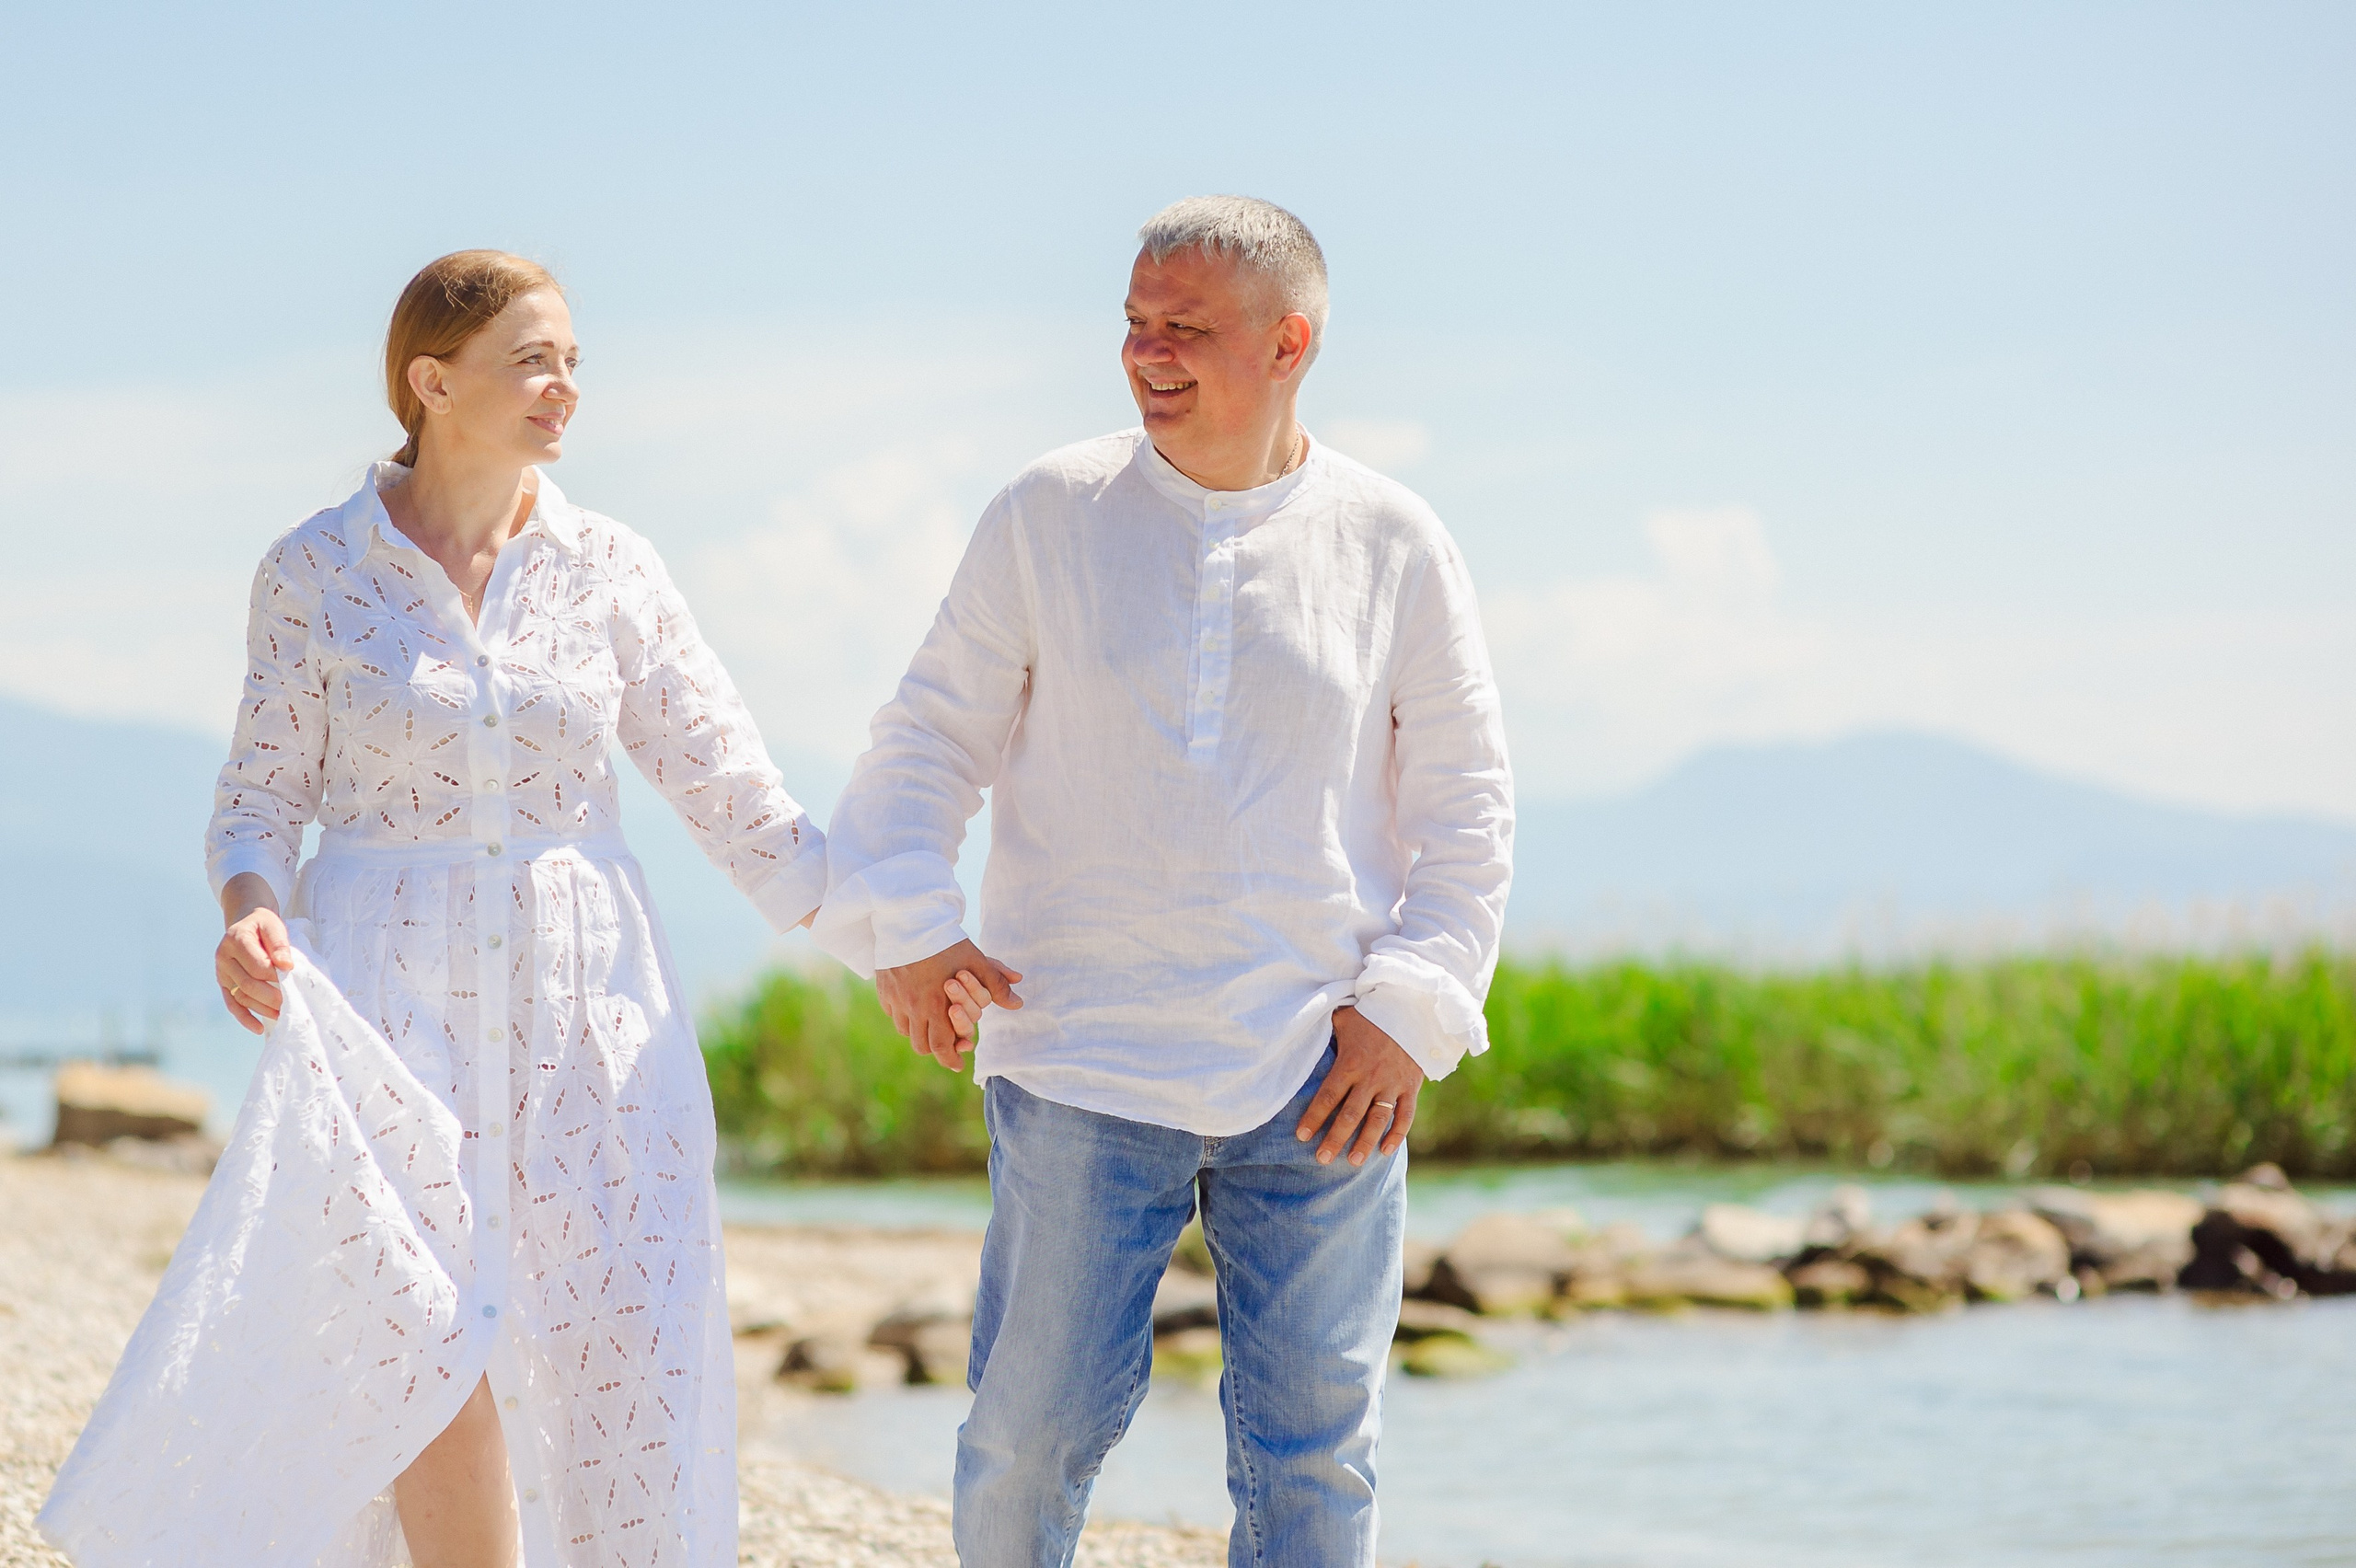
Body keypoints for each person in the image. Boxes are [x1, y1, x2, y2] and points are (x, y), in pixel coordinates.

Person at [40, 251, 826, 1568]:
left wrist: (907, 942)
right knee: (413, 1329)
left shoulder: (612, 569)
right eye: (534, 359)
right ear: (431, 381)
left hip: (591, 1017)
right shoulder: (313, 572)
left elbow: (736, 793)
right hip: (379, 1005)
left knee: (616, 1340)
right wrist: (247, 908)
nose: (565, 386)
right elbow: (259, 797)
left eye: (574, 359)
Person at [812, 195, 1514, 1567]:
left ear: (1290, 342)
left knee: (1319, 1451)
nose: (1148, 356)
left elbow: (1467, 809)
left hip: (1322, 1069)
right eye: (1134, 325)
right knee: (1028, 1437)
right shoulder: (1046, 513)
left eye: (1185, 329)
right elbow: (922, 745)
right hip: (1079, 1051)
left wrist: (1413, 1004)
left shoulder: (1395, 541)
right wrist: (910, 926)